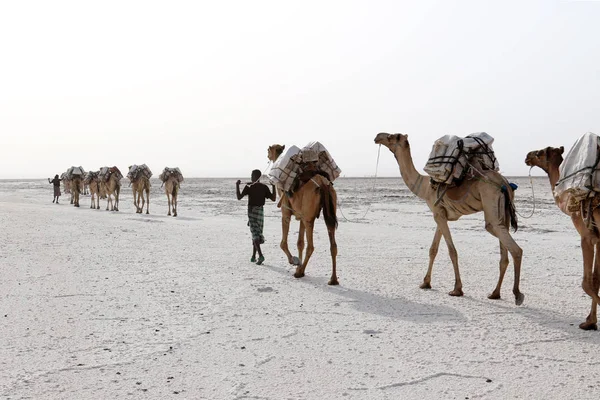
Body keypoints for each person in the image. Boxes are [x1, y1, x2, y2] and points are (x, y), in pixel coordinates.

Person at [236, 169, 276, 265]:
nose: (250, 177)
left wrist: (237, 185)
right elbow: (274, 198)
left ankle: (260, 255)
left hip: (251, 212)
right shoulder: (264, 187)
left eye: (252, 175)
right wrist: (274, 186)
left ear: (255, 177)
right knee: (256, 234)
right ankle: (254, 256)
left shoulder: (249, 186)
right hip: (260, 212)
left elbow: (239, 197)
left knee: (255, 235)